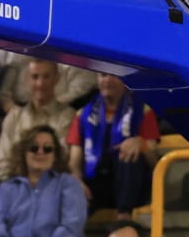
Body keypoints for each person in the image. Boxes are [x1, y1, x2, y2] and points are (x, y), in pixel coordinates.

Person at [67, 72, 161, 215]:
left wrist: (141, 143)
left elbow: (155, 161)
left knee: (129, 158)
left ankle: (124, 219)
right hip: (96, 182)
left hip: (132, 185)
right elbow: (74, 163)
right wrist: (77, 182)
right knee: (73, 193)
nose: (107, 80)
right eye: (103, 75)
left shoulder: (143, 110)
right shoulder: (83, 115)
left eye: (114, 75)